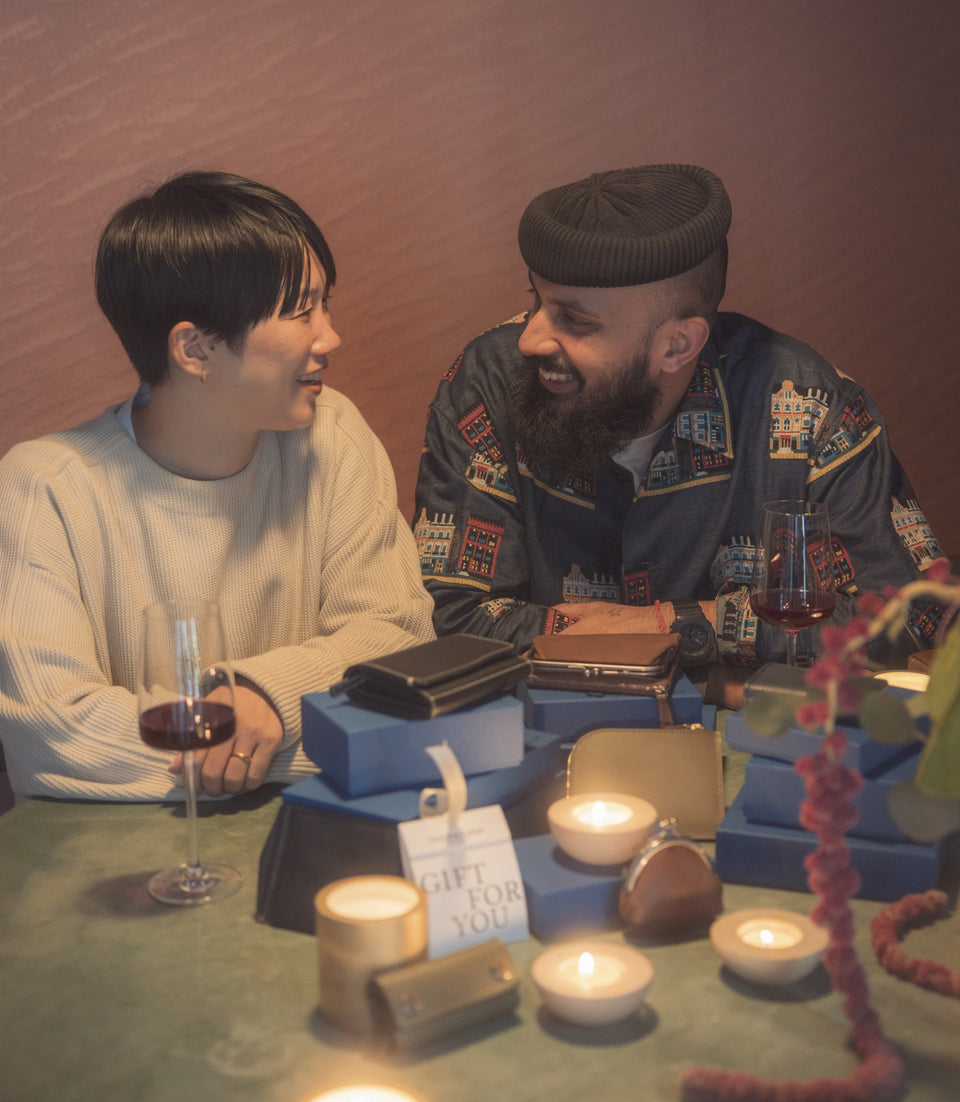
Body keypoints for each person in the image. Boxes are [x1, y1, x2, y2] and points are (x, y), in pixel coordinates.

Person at [0, 171, 434, 802]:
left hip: (312, 825)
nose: (330, 337)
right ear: (194, 348)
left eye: (325, 304)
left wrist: (265, 693)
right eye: (299, 313)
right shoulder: (45, 489)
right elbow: (52, 735)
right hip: (116, 863)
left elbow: (398, 636)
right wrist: (304, 740)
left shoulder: (331, 435)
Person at [413, 163, 944, 666]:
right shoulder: (491, 381)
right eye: (537, 301)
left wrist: (664, 626)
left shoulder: (810, 409)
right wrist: (720, 671)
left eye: (573, 320)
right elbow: (449, 615)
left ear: (677, 345)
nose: (529, 339)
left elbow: (909, 614)